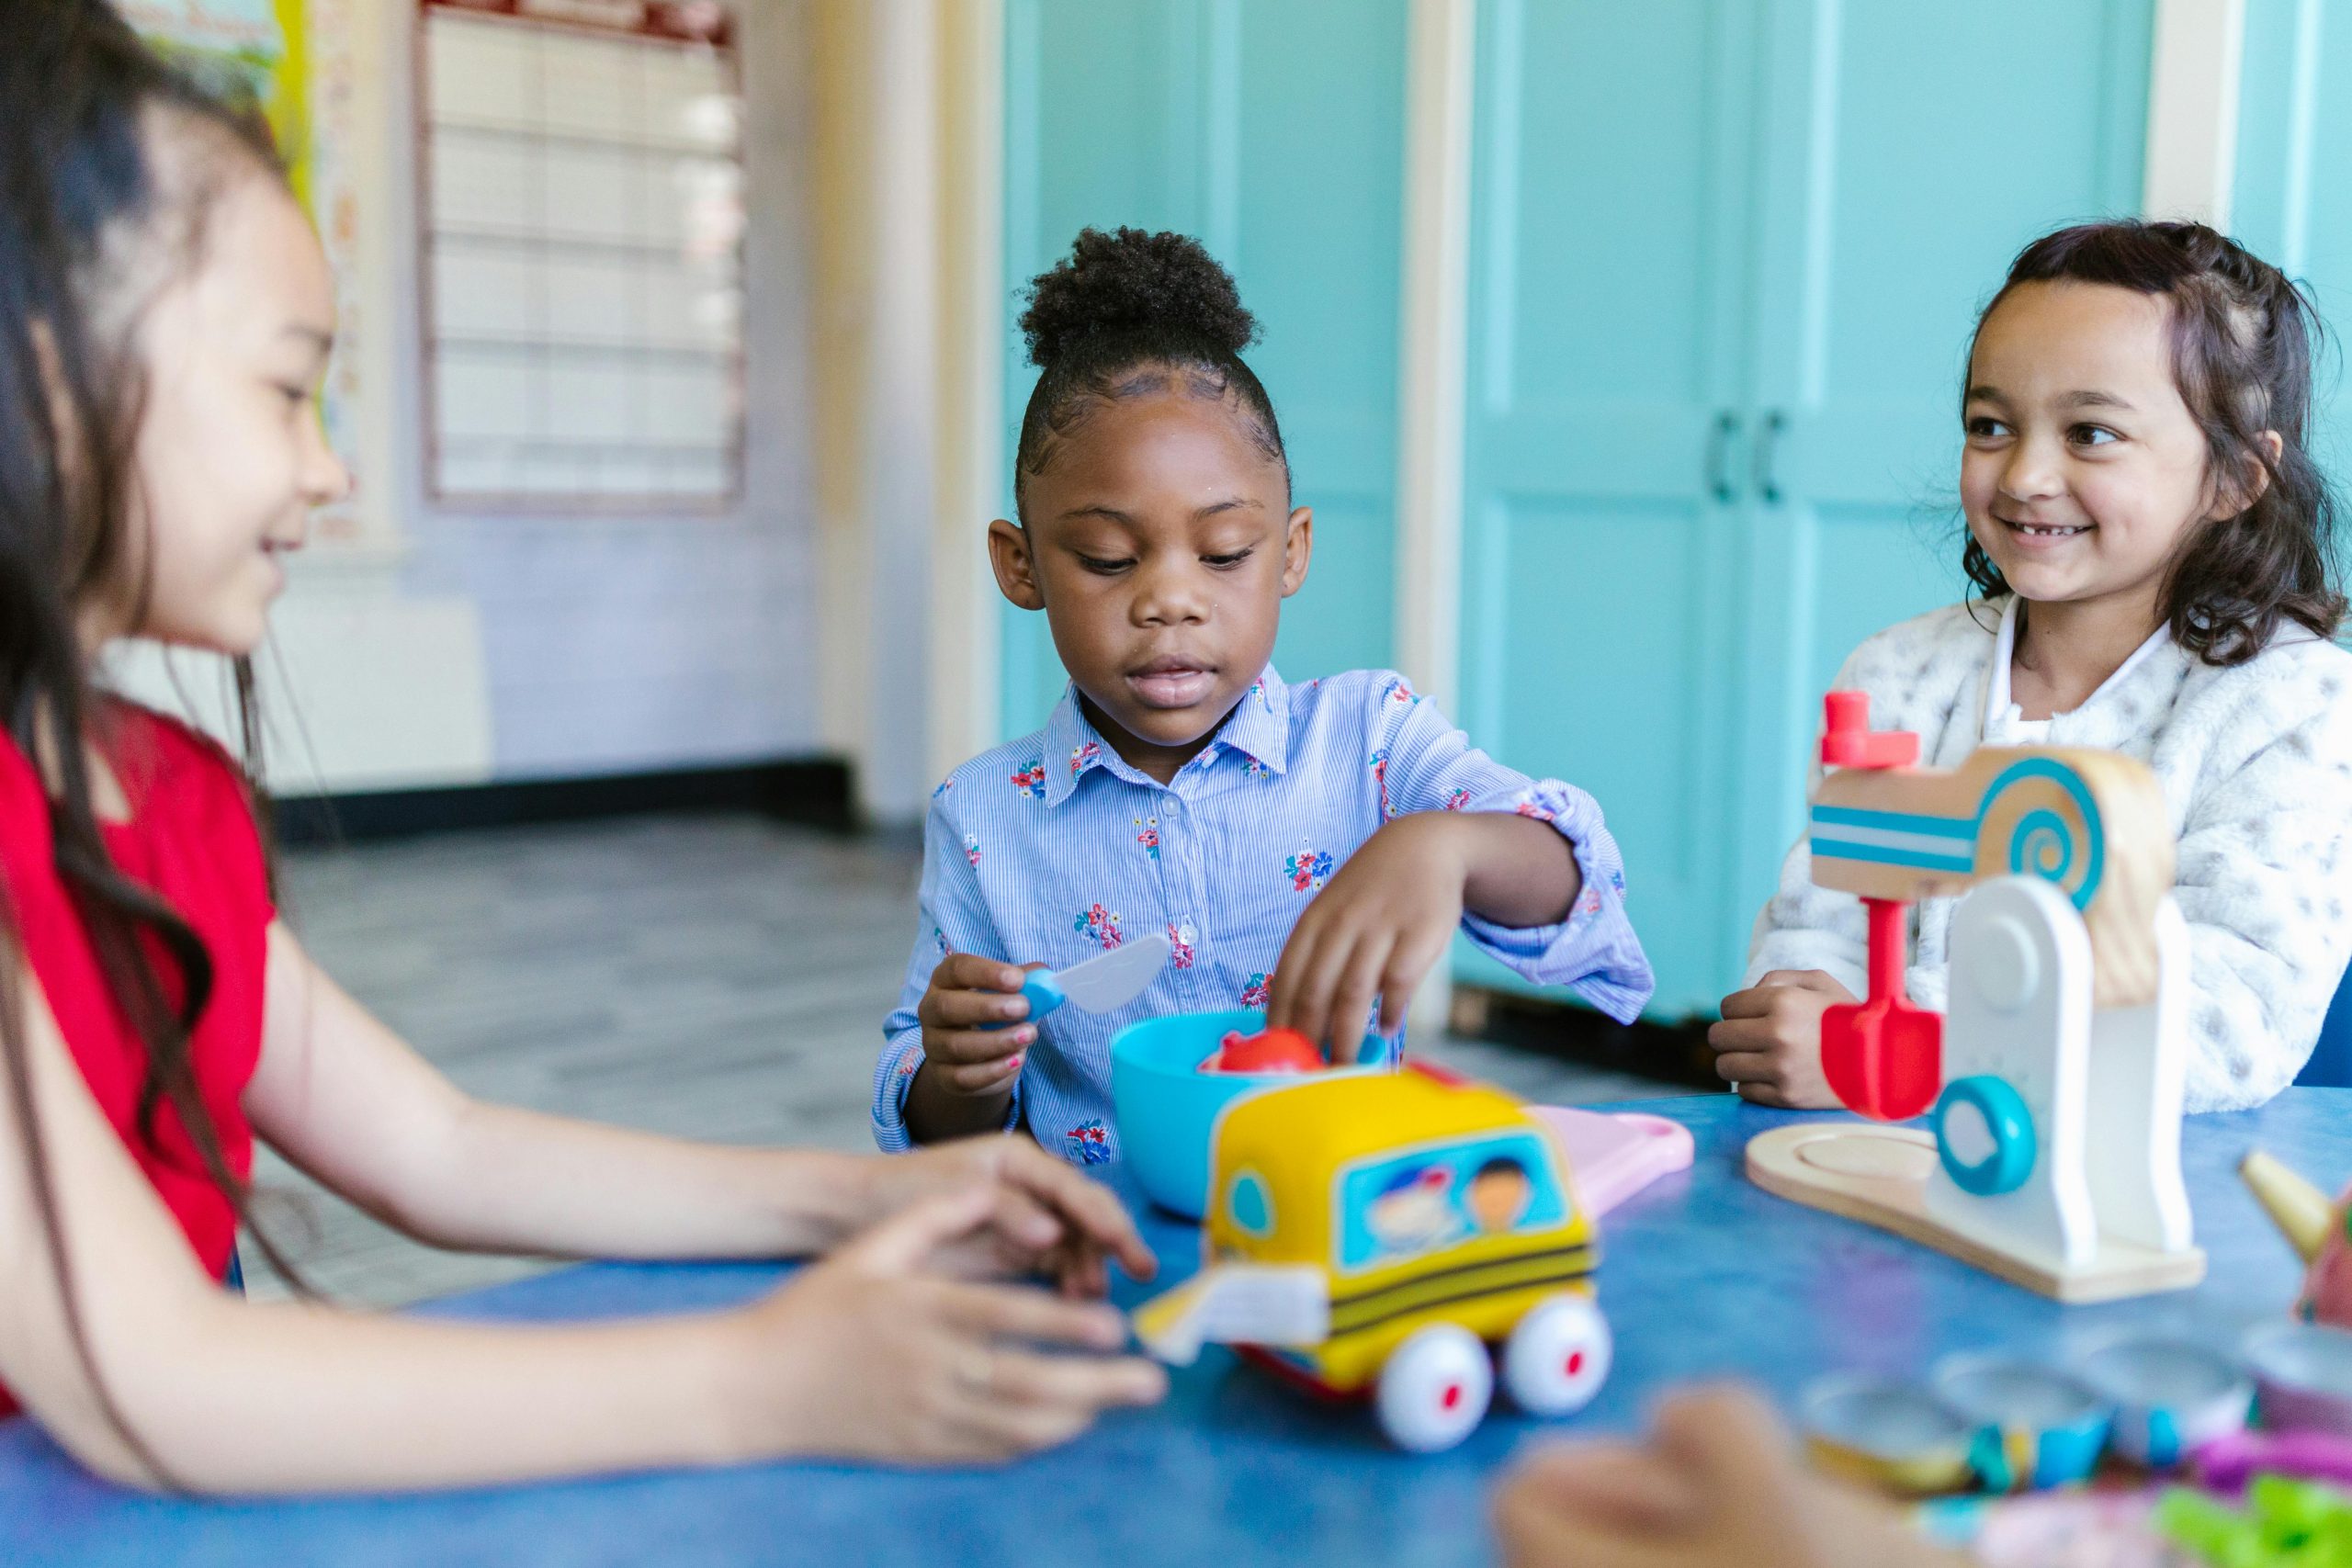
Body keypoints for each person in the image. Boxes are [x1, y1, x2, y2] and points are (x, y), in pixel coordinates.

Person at [0, 1, 1163, 1495]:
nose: (328, 464)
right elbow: (143, 1377)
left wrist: (860, 1200)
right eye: (288, 389)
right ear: (43, 372)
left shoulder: (170, 796)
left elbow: (438, 1147)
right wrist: (767, 1377)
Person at [874, 227, 1652, 1161]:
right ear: (1022, 564)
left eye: (1224, 553)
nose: (1169, 599)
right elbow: (928, 1120)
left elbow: (1578, 877)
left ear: (1289, 553)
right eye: (1109, 559)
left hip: (1332, 1228)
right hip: (1099, 1257)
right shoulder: (982, 817)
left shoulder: (1369, 738)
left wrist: (1446, 844)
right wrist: (959, 1069)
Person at [1715, 220, 2352, 1113]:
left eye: (2089, 432)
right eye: (1990, 424)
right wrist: (1799, 1008)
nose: (2023, 473)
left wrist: (1911, 1051)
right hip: (1884, 1167)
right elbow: (1820, 926)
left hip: (2127, 1201)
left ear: (2234, 478)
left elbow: (2229, 1020)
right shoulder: (1898, 673)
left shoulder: (2297, 704)